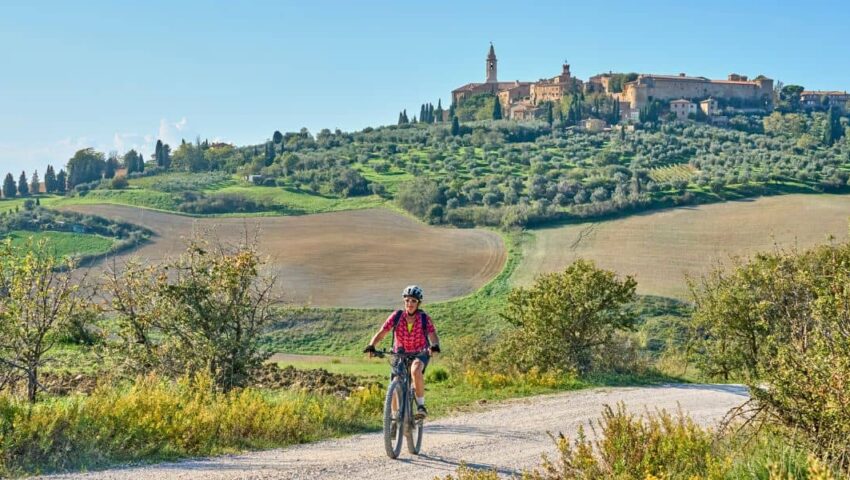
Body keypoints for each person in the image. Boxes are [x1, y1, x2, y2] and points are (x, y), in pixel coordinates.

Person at [364, 285, 440, 419]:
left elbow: (432, 335)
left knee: (415, 370)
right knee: (395, 383)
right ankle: (394, 419)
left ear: (418, 303)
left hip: (420, 352)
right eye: (407, 300)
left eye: (413, 301)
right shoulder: (397, 316)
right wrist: (371, 345)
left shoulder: (424, 318)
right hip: (399, 353)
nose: (410, 303)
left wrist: (434, 346)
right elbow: (382, 332)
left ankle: (421, 406)